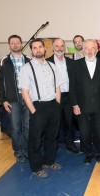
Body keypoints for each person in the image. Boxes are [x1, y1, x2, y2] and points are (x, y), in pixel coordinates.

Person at [20, 38, 62, 178]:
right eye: (34, 47)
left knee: (52, 137)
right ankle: (36, 167)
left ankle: (49, 161)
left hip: (53, 105)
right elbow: (25, 92)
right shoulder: (27, 68)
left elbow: (57, 86)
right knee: (35, 139)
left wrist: (57, 104)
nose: (38, 50)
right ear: (31, 50)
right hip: (37, 106)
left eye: (40, 47)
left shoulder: (52, 66)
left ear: (45, 49)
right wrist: (33, 111)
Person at [70, 39, 100, 164]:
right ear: (83, 50)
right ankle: (87, 153)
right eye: (86, 48)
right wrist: (74, 104)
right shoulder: (76, 65)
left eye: (92, 48)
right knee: (84, 131)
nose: (89, 51)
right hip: (82, 106)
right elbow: (72, 86)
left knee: (99, 131)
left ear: (97, 49)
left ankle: (98, 153)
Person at [0, 35, 31, 162]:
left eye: (17, 43)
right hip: (12, 100)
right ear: (9, 45)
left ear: (21, 44)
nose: (15, 45)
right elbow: (0, 82)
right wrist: (3, 100)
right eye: (12, 43)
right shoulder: (4, 61)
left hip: (27, 98)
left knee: (28, 127)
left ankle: (27, 150)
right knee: (16, 128)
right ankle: (18, 152)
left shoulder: (28, 60)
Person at [46, 38, 80, 154]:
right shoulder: (47, 63)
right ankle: (52, 147)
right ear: (52, 48)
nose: (59, 48)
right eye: (57, 46)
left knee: (69, 122)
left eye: (62, 46)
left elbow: (75, 82)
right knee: (54, 123)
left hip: (69, 97)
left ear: (64, 47)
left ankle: (70, 145)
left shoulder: (72, 63)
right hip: (54, 97)